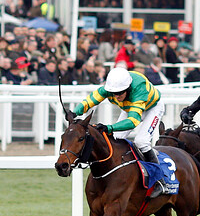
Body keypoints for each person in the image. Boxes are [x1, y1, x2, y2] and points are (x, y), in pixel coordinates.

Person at [72, 67, 169, 197]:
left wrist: (109, 127)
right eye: (114, 93)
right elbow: (91, 100)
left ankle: (160, 181)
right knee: (116, 138)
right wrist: (75, 112)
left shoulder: (138, 88)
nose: (116, 96)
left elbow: (134, 120)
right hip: (130, 108)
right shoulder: (110, 88)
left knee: (141, 141)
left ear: (128, 89)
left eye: (120, 93)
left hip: (152, 108)